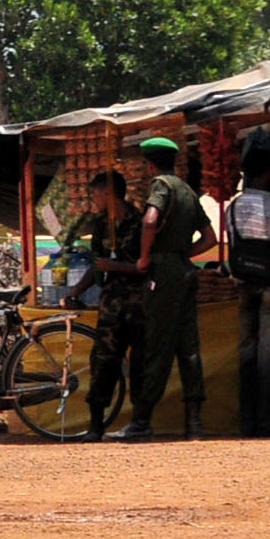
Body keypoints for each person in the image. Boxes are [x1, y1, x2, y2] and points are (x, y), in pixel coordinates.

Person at [106, 138, 209, 441]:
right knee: (189, 348)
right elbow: (210, 237)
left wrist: (146, 257)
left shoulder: (161, 185)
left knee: (157, 346)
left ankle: (141, 420)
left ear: (150, 164)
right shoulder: (188, 191)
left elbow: (150, 220)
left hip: (163, 274)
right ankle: (195, 423)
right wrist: (183, 254)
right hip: (185, 271)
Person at [62, 169, 143, 435]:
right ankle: (95, 422)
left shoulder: (141, 223)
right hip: (111, 309)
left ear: (108, 194)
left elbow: (147, 266)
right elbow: (97, 268)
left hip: (139, 307)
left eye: (96, 194)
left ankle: (141, 422)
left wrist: (116, 265)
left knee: (141, 365)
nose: (93, 199)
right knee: (103, 363)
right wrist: (75, 291)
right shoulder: (100, 226)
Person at [226, 146, 270, 436]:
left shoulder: (233, 206)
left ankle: (246, 422)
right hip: (269, 288)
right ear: (265, 173)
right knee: (269, 359)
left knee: (246, 357)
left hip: (243, 286)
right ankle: (269, 424)